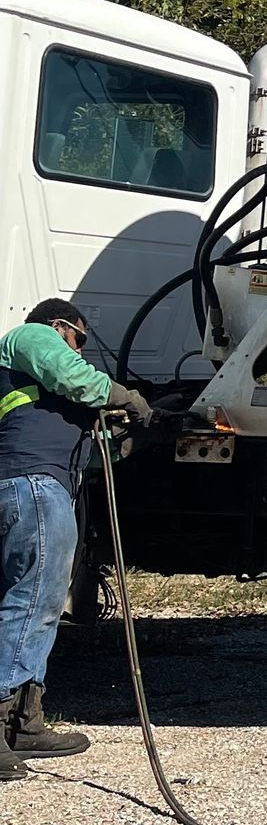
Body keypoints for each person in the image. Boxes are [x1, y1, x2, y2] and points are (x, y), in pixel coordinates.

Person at [0, 299, 152, 776]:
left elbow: (81, 442)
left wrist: (123, 438)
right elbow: (73, 375)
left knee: (31, 601)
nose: (80, 351)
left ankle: (25, 722)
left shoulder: (39, 386)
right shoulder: (31, 336)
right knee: (33, 602)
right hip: (34, 484)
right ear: (61, 326)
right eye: (80, 341)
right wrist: (123, 395)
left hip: (33, 483)